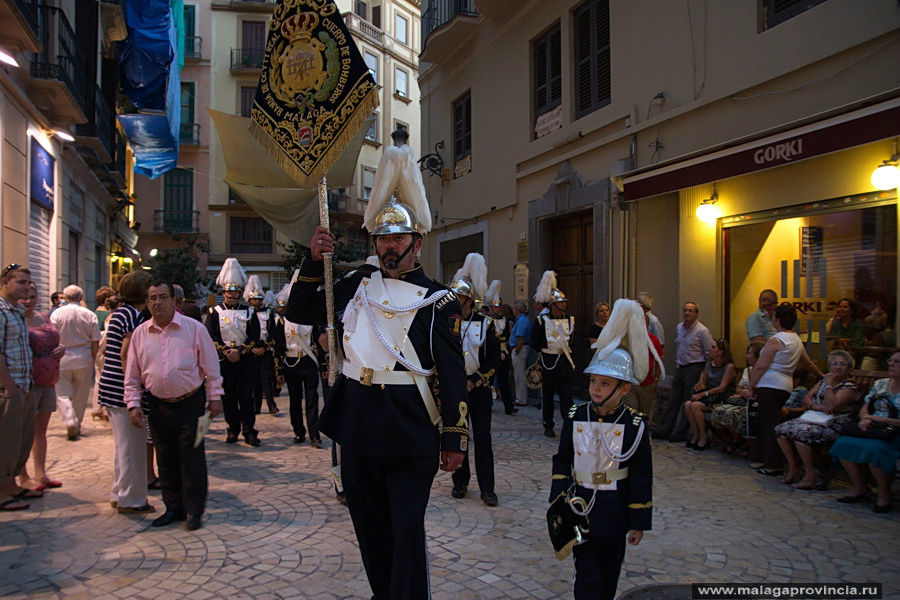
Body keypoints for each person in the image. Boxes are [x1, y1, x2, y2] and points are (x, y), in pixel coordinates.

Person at [286, 128, 468, 600]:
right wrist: (312, 261)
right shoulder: (355, 284)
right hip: (360, 429)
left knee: (406, 535)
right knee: (370, 532)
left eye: (399, 237)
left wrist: (455, 437)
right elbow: (301, 311)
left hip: (411, 434)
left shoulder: (439, 300)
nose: (389, 246)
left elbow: (451, 375)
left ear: (417, 241)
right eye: (382, 237)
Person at [550, 299, 660, 600]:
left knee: (609, 574)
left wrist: (638, 520)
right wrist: (558, 500)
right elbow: (562, 460)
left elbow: (641, 475)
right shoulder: (577, 416)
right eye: (593, 382)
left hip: (614, 512)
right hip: (580, 506)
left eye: (605, 383)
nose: (596, 389)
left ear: (624, 388)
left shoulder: (635, 425)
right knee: (586, 577)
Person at [124, 281, 224, 531]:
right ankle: (173, 508)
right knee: (165, 459)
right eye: (152, 298)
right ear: (147, 303)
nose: (157, 303)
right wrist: (133, 403)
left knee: (192, 458)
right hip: (157, 406)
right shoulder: (140, 334)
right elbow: (133, 374)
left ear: (173, 300)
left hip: (191, 405)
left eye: (163, 297)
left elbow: (211, 367)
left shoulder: (194, 329)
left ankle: (194, 510)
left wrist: (215, 396)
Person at [98, 271, 155, 515]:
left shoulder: (120, 313)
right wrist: (135, 387)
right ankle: (131, 499)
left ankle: (119, 491)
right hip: (122, 390)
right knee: (132, 447)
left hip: (111, 388)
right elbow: (126, 354)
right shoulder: (133, 317)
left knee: (124, 446)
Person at [449, 255, 501, 506]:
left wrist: (475, 380)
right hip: (456, 390)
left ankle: (487, 488)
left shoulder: (486, 323)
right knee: (459, 437)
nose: (456, 302)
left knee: (483, 438)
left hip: (479, 391)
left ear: (469, 300)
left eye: (459, 299)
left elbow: (493, 360)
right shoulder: (447, 324)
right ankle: (460, 481)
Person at [750, 303, 823, 477]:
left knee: (769, 426)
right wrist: (821, 374)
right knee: (774, 422)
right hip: (785, 385)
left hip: (769, 385)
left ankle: (773, 464)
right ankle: (777, 461)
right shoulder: (796, 339)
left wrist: (752, 385)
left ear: (778, 320)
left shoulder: (776, 340)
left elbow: (761, 366)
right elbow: (808, 362)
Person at [775, 349, 859, 488]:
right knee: (780, 430)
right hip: (816, 418)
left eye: (842, 364)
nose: (837, 367)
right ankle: (793, 467)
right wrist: (816, 406)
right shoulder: (823, 381)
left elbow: (833, 405)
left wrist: (830, 385)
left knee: (801, 433)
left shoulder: (850, 387)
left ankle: (810, 474)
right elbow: (808, 397)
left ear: (849, 369)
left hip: (836, 422)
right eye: (834, 363)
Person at [830, 348, 900, 513]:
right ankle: (860, 487)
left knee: (874, 450)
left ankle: (884, 494)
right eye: (891, 360)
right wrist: (866, 418)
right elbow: (864, 408)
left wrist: (878, 419)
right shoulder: (881, 384)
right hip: (874, 429)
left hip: (894, 432)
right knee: (843, 443)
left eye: (897, 362)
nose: (891, 364)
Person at [204, 258, 262, 446]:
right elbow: (210, 336)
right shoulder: (214, 312)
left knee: (246, 398)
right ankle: (232, 429)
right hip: (224, 361)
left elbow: (254, 336)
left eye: (235, 291)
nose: (232, 294)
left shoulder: (249, 312)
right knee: (228, 399)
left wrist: (240, 351)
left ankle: (249, 431)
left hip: (245, 362)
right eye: (229, 291)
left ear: (240, 292)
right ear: (223, 292)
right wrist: (226, 352)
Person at [16, 283, 64, 492]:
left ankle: (40, 472)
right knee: (23, 432)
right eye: (24, 297)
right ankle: (22, 475)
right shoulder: (14, 320)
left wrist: (61, 349)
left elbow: (54, 340)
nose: (28, 301)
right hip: (28, 383)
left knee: (40, 431)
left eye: (32, 296)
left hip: (48, 381)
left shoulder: (44, 317)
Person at [0, 265, 38, 511]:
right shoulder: (1, 312)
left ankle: (12, 484)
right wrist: (9, 387)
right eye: (21, 282)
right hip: (9, 389)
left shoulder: (16, 311)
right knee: (6, 441)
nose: (25, 287)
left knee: (21, 440)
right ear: (5, 282)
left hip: (25, 385)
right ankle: (2, 492)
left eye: (27, 283)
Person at [654, 302, 714, 443]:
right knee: (673, 400)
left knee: (688, 400)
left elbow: (709, 352)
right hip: (681, 367)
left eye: (691, 311)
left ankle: (681, 433)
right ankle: (665, 429)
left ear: (696, 313)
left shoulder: (702, 331)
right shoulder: (679, 327)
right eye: (685, 310)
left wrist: (703, 376)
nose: (687, 313)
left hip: (694, 367)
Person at [272, 277, 320, 446]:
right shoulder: (282, 321)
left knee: (312, 400)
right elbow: (278, 346)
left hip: (308, 362)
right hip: (291, 364)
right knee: (295, 401)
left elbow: (318, 343)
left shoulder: (313, 318)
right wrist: (278, 371)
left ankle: (315, 434)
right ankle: (299, 432)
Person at [51, 285, 101, 440]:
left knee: (62, 393)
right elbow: (95, 341)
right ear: (81, 297)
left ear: (65, 298)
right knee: (81, 394)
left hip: (62, 357)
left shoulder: (56, 314)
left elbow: (51, 336)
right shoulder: (89, 314)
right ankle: (77, 423)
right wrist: (94, 358)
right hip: (83, 356)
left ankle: (69, 418)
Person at [531, 270, 575, 438]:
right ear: (553, 304)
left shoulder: (570, 319)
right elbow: (535, 341)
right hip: (548, 360)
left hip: (564, 361)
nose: (563, 305)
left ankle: (568, 423)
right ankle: (548, 424)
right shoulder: (542, 321)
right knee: (548, 396)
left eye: (564, 302)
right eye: (560, 302)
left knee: (567, 396)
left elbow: (572, 339)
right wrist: (546, 349)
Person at [709, 341, 766, 456]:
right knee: (720, 411)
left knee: (737, 415)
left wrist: (747, 392)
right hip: (743, 400)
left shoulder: (764, 372)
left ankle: (742, 442)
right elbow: (739, 389)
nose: (747, 356)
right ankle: (735, 439)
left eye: (750, 353)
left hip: (754, 404)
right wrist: (744, 393)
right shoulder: (747, 371)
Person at [684, 338, 736, 450]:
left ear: (721, 351)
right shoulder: (709, 364)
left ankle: (704, 436)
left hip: (720, 396)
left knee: (696, 406)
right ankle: (696, 434)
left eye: (713, 347)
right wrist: (699, 388)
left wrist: (703, 394)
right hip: (708, 395)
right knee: (688, 404)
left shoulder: (729, 367)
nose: (710, 350)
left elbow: (722, 388)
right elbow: (704, 383)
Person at [622, 310, 663, 427]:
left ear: (647, 325)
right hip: (630, 383)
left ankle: (643, 437)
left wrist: (656, 379)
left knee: (645, 414)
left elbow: (659, 360)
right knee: (630, 411)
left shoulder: (653, 340)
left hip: (647, 384)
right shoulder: (627, 340)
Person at [244, 275, 278, 416]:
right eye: (254, 299)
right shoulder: (245, 312)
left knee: (266, 379)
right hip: (250, 351)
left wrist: (265, 347)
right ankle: (256, 407)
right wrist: (251, 348)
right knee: (254, 381)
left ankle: (271, 405)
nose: (256, 301)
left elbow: (272, 332)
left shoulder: (267, 313)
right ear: (249, 300)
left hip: (265, 350)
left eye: (258, 299)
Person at [484, 280, 515, 415]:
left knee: (505, 381)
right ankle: (487, 404)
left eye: (498, 307)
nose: (497, 309)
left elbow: (507, 336)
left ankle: (509, 406)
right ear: (491, 308)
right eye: (495, 307)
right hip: (492, 354)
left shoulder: (505, 320)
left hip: (504, 352)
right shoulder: (486, 321)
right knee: (489, 380)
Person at [510, 301, 532, 407]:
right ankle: (520, 397)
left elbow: (520, 338)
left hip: (520, 349)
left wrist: (517, 351)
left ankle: (521, 399)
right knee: (518, 374)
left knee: (519, 375)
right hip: (520, 348)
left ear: (517, 310)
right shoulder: (521, 320)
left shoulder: (522, 321)